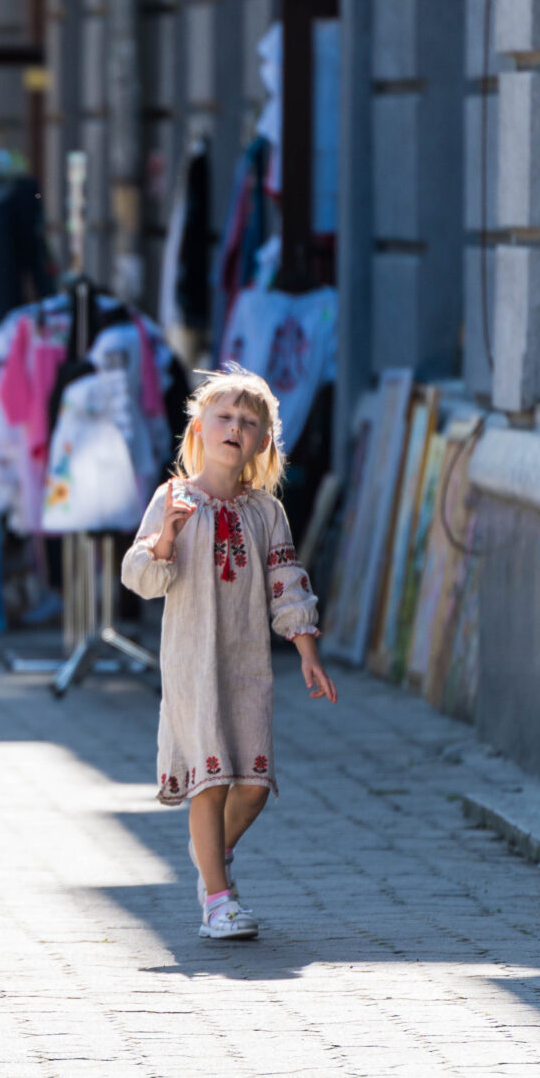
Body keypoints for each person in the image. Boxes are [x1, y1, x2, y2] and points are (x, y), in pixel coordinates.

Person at [119, 367, 337, 941]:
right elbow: (139, 576)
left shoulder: (267, 512)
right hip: (192, 665)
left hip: (246, 668)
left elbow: (287, 582)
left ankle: (211, 855)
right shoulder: (171, 498)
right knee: (209, 781)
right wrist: (166, 536)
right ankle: (218, 899)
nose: (235, 427)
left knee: (255, 783)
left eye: (249, 421)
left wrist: (307, 649)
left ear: (264, 440)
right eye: (224, 417)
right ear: (199, 428)